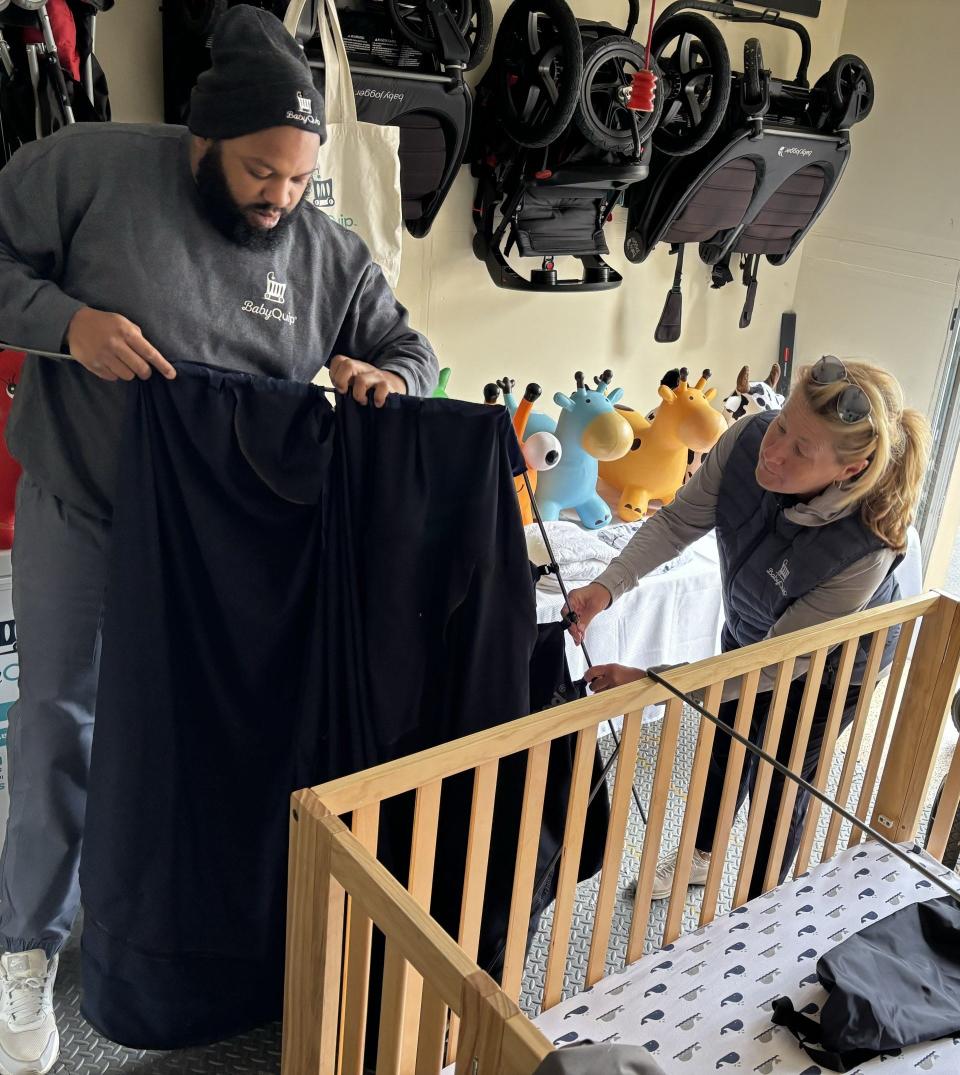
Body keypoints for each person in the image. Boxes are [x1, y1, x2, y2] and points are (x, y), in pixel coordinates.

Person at [0, 6, 437, 1071]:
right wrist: (68, 326)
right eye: (257, 172)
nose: (276, 197)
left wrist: (388, 377)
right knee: (63, 723)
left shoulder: (325, 250)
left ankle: (172, 923)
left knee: (210, 741)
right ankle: (25, 949)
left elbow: (410, 346)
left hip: (232, 543)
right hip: (87, 505)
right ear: (202, 136)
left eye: (296, 179)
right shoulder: (86, 168)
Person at [567, 357, 929, 906]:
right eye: (783, 425)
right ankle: (702, 855)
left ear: (848, 471)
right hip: (752, 622)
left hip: (831, 668)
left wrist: (653, 682)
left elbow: (775, 666)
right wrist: (608, 585)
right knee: (722, 738)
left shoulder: (866, 549)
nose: (773, 450)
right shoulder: (746, 439)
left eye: (801, 450)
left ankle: (757, 905)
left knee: (780, 776)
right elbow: (676, 522)